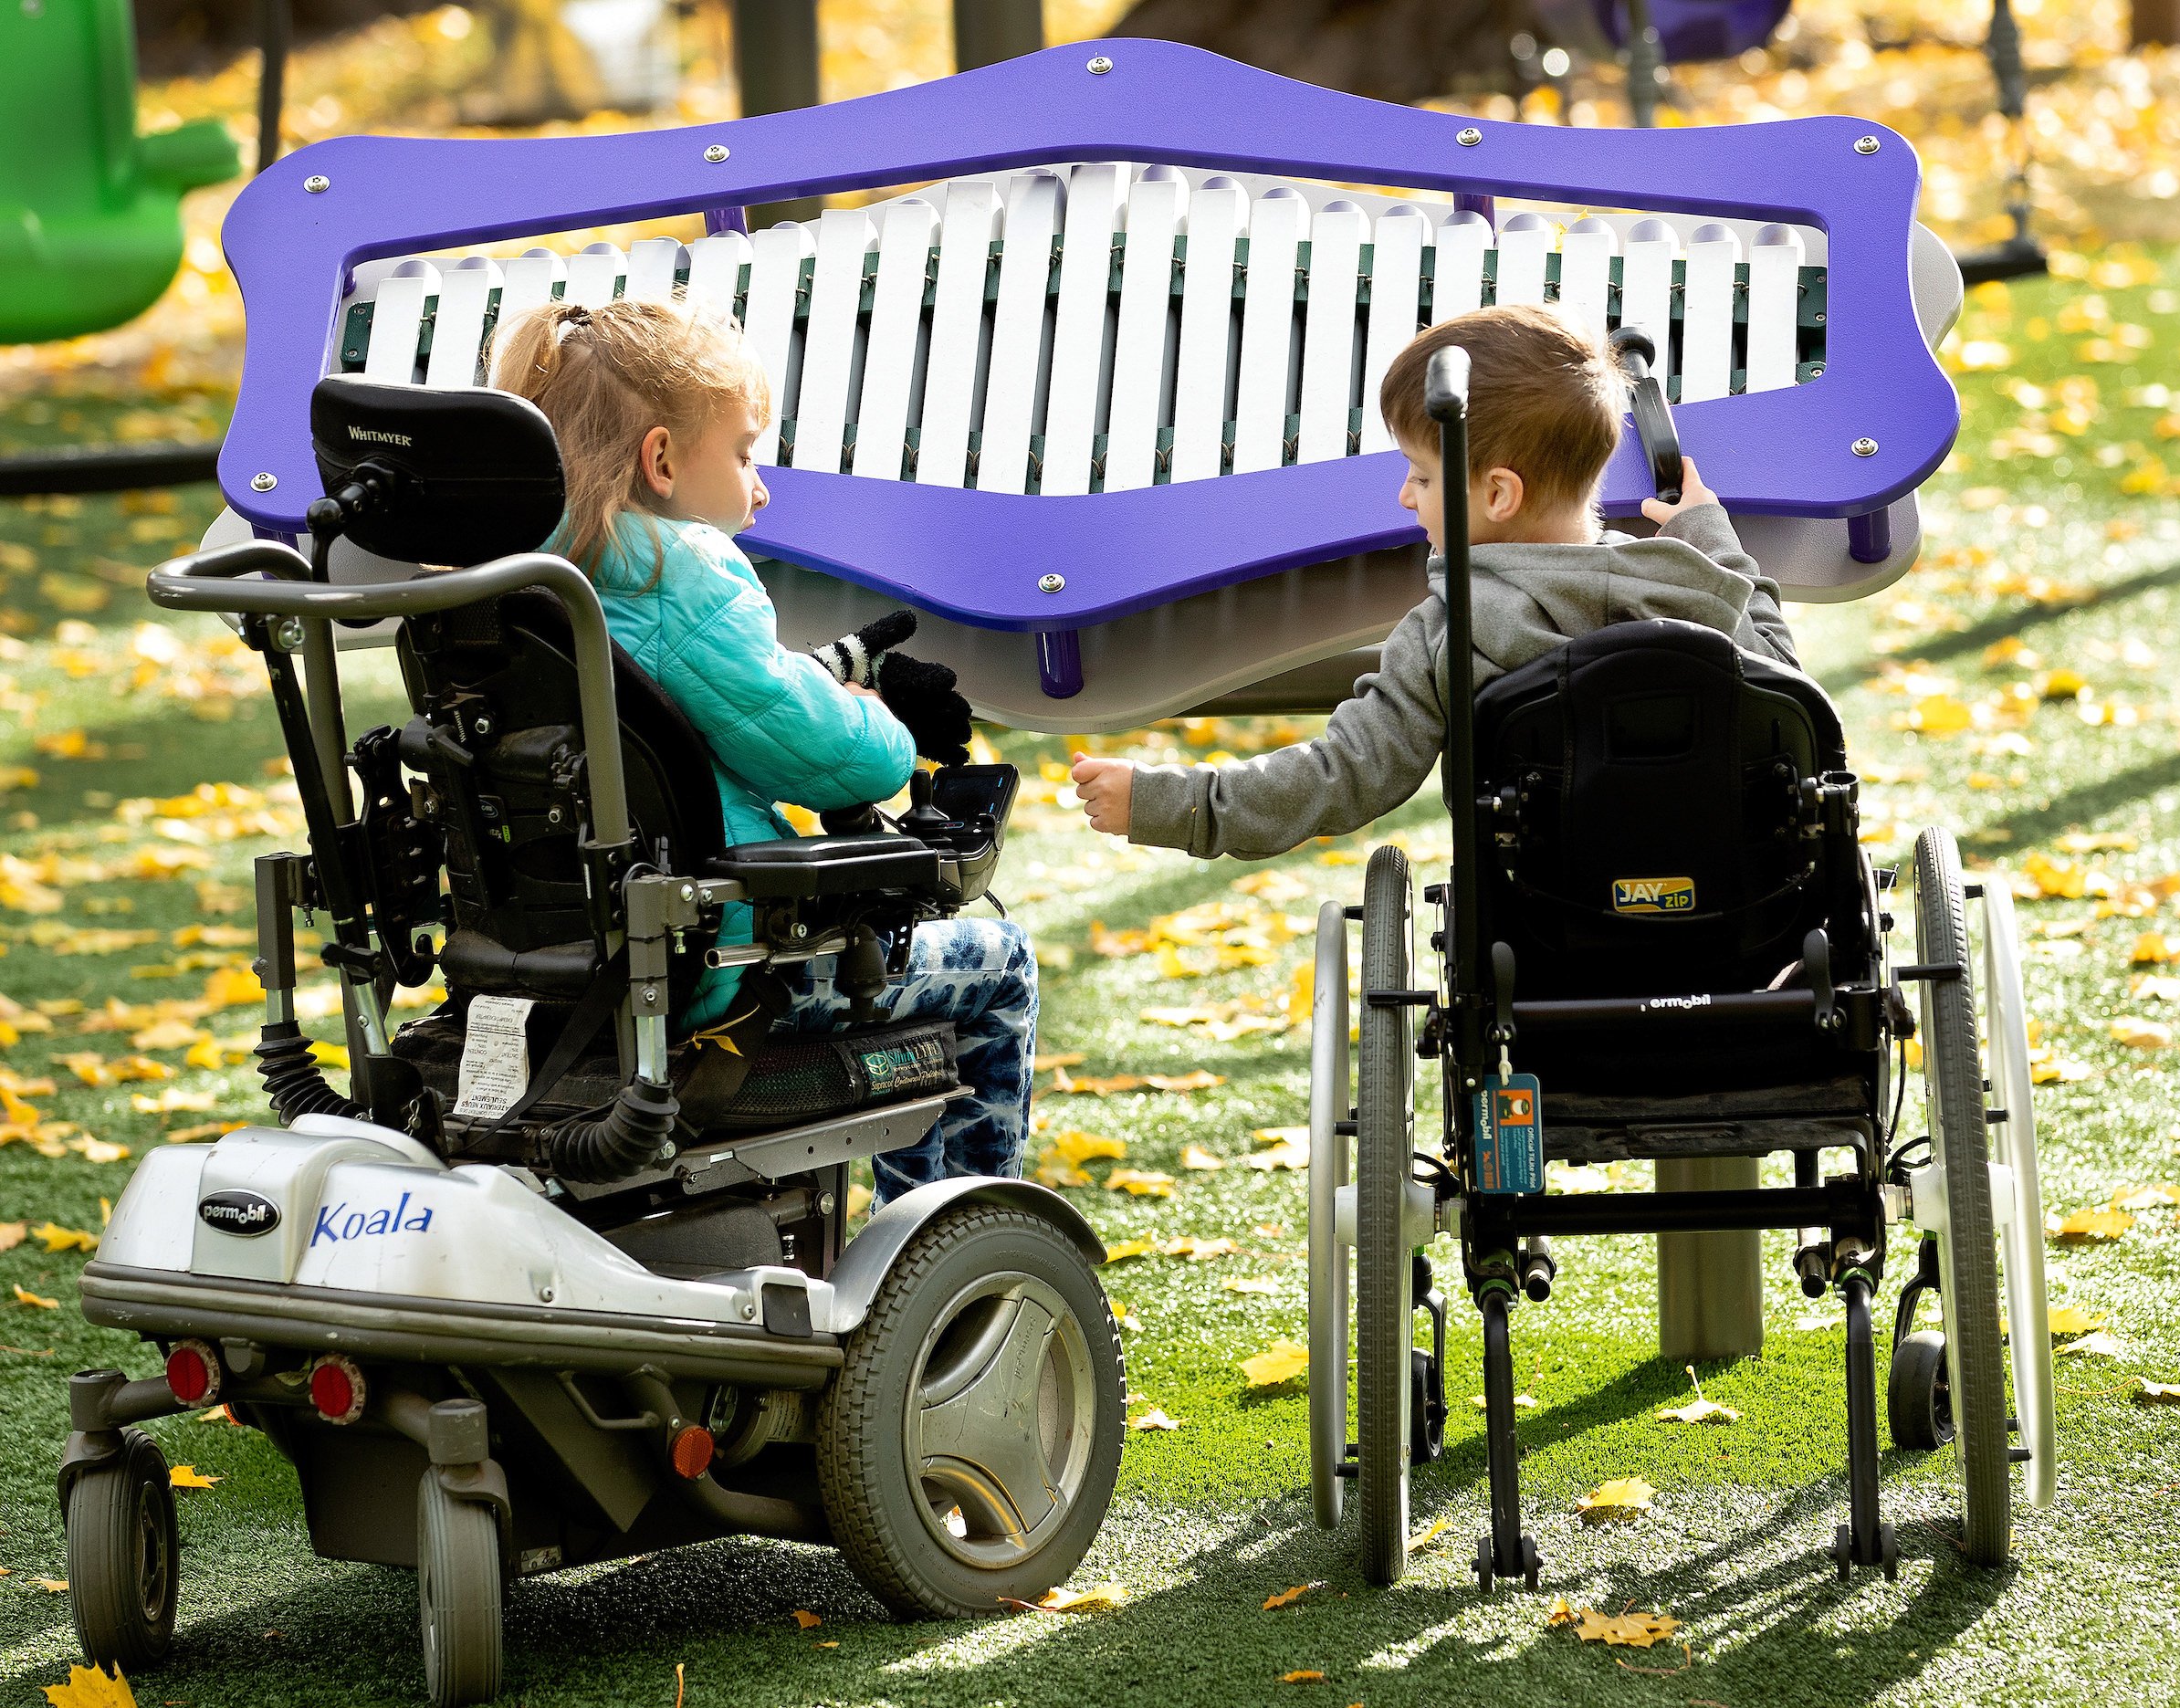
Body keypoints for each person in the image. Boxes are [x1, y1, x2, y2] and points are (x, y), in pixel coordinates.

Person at [491, 298, 1035, 1201]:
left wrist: (822, 676)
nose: (761, 483)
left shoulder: (510, 584)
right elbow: (836, 759)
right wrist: (880, 717)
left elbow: (732, 700)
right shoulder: (678, 572)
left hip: (554, 979)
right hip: (722, 974)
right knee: (1001, 962)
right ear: (662, 461)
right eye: (745, 454)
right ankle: (948, 1228)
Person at [1071, 304, 1800, 856]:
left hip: (1543, 934)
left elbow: (1339, 775)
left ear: (1499, 494)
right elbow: (1786, 687)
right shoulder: (1684, 589)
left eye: (1421, 475)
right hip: (1734, 904)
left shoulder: (1451, 636)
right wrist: (1708, 532)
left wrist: (1174, 803)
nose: (1405, 496)